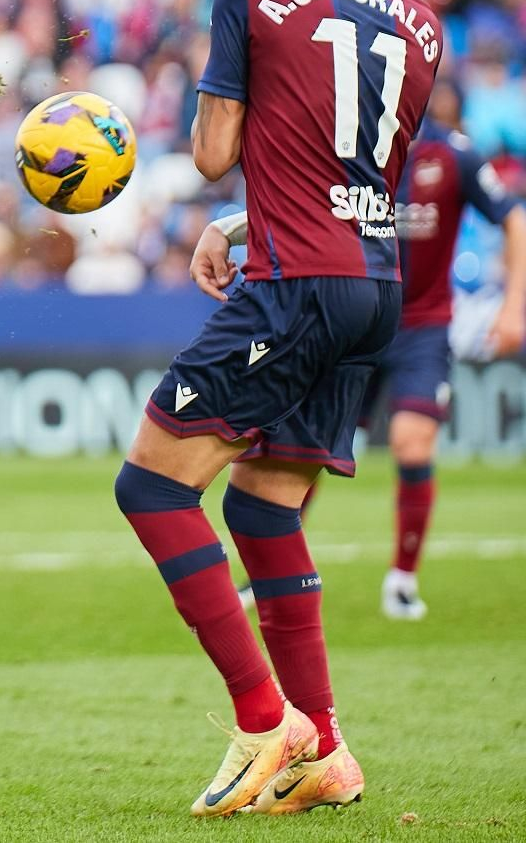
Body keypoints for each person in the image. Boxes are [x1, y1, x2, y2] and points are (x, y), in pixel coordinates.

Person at [115, 0, 441, 817]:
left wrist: (222, 195)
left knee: (151, 485)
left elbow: (217, 149)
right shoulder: (423, 26)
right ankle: (327, 749)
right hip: (373, 285)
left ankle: (266, 718)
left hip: (295, 282)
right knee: (260, 508)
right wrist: (242, 223)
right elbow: (352, 175)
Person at [205, 115, 525, 620]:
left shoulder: (454, 155)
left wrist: (513, 307)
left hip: (421, 326)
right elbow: (295, 206)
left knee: (411, 441)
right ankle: (267, 577)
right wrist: (229, 230)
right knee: (305, 451)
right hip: (354, 318)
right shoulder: (348, 145)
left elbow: (513, 219)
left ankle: (402, 579)